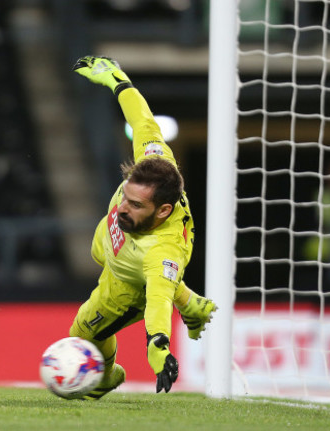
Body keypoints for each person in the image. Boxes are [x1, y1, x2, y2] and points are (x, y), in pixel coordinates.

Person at [69, 56, 217, 398]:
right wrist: (117, 79)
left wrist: (158, 349)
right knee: (119, 256)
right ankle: (191, 302)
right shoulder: (156, 161)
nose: (122, 207)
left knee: (81, 335)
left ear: (163, 211)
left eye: (135, 205)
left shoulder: (163, 252)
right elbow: (142, 119)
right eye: (126, 195)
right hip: (113, 249)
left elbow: (156, 302)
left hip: (127, 284)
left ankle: (105, 378)